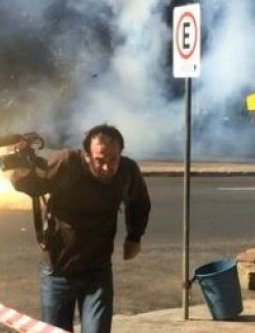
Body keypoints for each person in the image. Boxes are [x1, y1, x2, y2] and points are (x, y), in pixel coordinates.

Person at [10, 124, 151, 333]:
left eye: (113, 159)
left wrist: (134, 237)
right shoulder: (66, 163)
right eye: (100, 160)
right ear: (86, 155)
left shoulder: (127, 170)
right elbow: (34, 185)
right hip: (58, 269)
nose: (107, 167)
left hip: (97, 270)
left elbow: (139, 202)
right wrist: (21, 172)